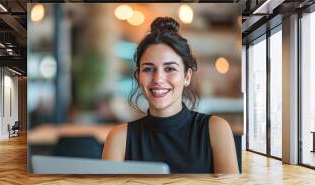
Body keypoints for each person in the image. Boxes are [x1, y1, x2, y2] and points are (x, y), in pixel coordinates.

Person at [102, 17, 239, 174]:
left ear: (187, 76)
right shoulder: (119, 138)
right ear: (138, 76)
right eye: (148, 69)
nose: (158, 79)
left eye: (169, 69)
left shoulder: (216, 130)